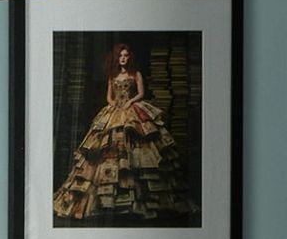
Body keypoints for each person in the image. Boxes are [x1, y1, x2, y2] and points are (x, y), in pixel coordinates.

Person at [51, 43, 195, 222]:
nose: (123, 59)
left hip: (132, 109)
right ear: (117, 58)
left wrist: (129, 103)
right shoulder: (112, 76)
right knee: (105, 149)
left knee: (138, 147)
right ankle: (108, 201)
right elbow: (109, 97)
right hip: (115, 111)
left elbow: (141, 93)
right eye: (120, 56)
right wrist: (113, 106)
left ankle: (139, 200)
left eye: (126, 55)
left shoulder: (136, 74)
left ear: (130, 57)